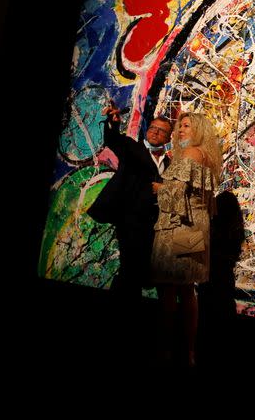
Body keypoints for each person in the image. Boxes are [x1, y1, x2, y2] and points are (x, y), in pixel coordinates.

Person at [86, 102, 173, 361]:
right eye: (153, 128)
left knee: (141, 273)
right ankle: (118, 325)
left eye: (161, 131)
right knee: (129, 270)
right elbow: (114, 138)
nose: (155, 133)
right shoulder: (133, 149)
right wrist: (113, 121)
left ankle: (133, 328)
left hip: (154, 225)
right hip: (131, 220)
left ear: (168, 138)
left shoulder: (170, 162)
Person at [150, 112, 221, 368]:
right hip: (195, 228)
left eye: (187, 126)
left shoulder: (191, 154)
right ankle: (188, 352)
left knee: (169, 290)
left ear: (199, 129)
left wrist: (158, 188)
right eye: (180, 126)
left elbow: (174, 194)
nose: (180, 130)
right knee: (186, 290)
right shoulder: (207, 156)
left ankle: (165, 350)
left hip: (178, 226)